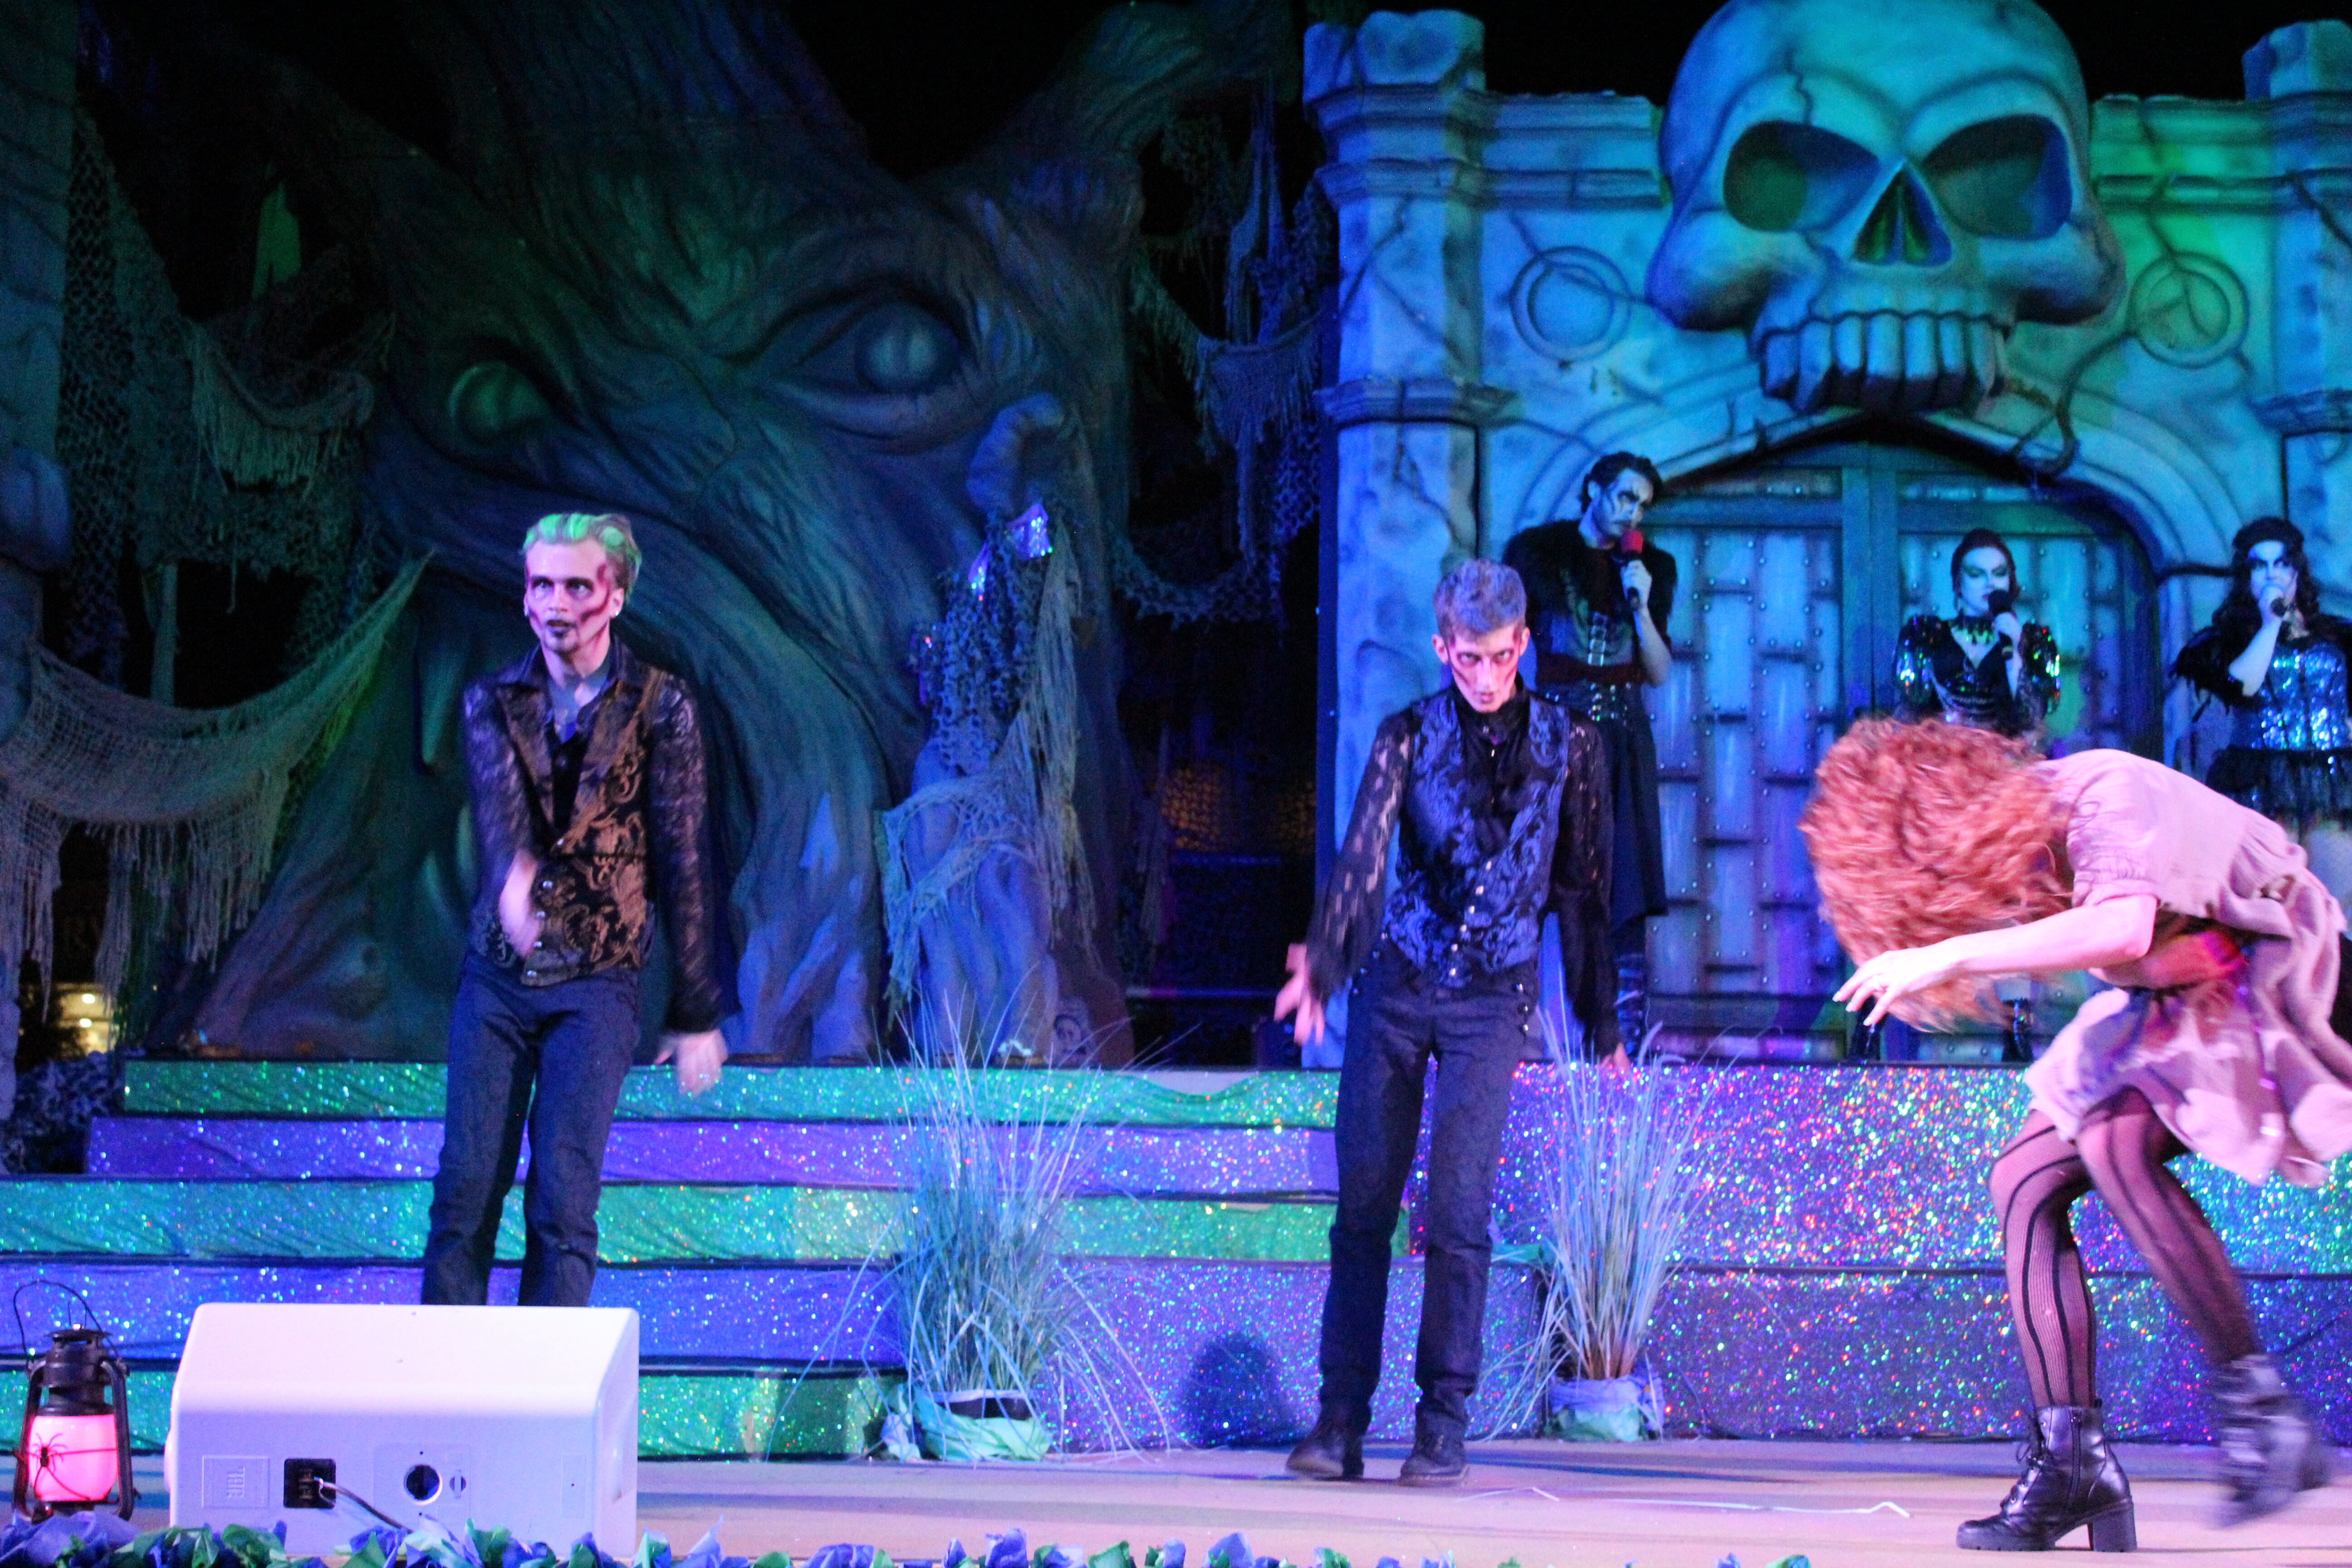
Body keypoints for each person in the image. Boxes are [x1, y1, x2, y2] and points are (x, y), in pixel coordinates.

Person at [1803, 717, 2350, 1550]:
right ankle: (2073, 1467)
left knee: (2112, 1140)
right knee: (2022, 1181)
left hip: (2276, 969)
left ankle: (2263, 1416)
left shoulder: (2102, 793)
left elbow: (2125, 930)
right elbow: (2146, 956)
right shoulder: (2038, 859)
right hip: (2181, 995)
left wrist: (1954, 954)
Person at [1273, 559, 1616, 1487]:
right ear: (1442, 648)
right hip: (1397, 985)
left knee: (1460, 1214)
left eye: (1501, 657)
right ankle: (1340, 1420)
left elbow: (1583, 889)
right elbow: (1361, 862)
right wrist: (1324, 968)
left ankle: (1442, 1425)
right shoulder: (1406, 734)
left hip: (1492, 997)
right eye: (1469, 658)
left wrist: (1601, 1023)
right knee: (1364, 1207)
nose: (1487, 676)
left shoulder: (1571, 744)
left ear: (1524, 644)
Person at [422, 512, 733, 1308]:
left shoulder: (661, 706)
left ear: (615, 596)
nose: (554, 604)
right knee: (465, 1193)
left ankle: (545, 1382)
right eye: (541, 586)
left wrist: (697, 1010)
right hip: (500, 978)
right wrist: (513, 874)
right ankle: (440, 1378)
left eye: (574, 586)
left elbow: (683, 854)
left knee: (562, 1203)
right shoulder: (494, 699)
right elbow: (500, 814)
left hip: (597, 978)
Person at [1502, 453, 1672, 1050]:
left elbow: (1658, 671)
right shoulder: (1537, 555)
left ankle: (1619, 1048)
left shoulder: (1651, 568)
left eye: (1642, 505)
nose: (1633, 513)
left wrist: (1641, 605)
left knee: (1623, 891)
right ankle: (1508, 1038)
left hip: (1622, 742)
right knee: (1531, 883)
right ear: (1593, 489)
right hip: (1551, 738)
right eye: (1625, 497)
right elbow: (1507, 642)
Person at [2173, 517, 2352, 906]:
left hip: (2333, 778)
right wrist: (2270, 625)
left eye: (2281, 563)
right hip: (2262, 779)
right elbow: (2243, 686)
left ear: (2297, 571)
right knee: (2275, 903)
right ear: (2246, 577)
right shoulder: (2229, 641)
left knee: (2337, 903)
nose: (2272, 574)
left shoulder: (2339, 637)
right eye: (2259, 566)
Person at [1894, 528, 2062, 741]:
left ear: (2010, 581)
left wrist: (2016, 654)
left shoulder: (2033, 641)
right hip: (1940, 756)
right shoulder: (1925, 636)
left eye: (1999, 573)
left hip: (2009, 758)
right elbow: (1909, 717)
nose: (1990, 583)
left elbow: (2032, 722)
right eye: (1976, 574)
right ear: (1959, 583)